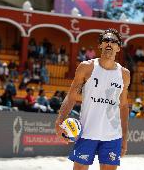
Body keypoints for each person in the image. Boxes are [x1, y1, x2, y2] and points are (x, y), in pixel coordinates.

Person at [55, 28, 130, 170]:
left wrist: (124, 135)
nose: (109, 43)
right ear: (100, 45)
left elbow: (124, 106)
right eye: (106, 40)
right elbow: (71, 96)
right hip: (87, 132)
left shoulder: (124, 74)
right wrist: (60, 120)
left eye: (114, 41)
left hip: (113, 135)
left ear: (118, 48)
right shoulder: (86, 67)